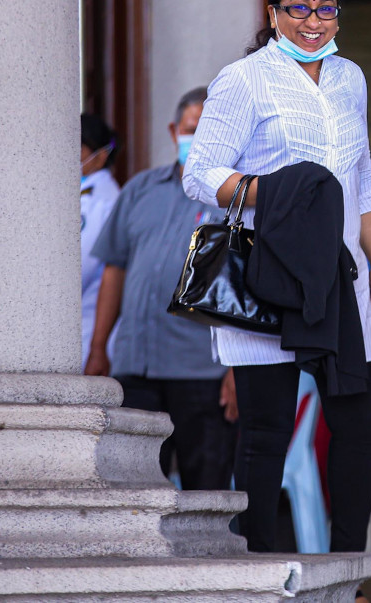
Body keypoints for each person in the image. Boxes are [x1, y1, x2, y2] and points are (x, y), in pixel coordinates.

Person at [181, 0, 371, 579]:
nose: (313, 20)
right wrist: (276, 194)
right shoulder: (243, 80)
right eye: (298, 7)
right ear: (273, 14)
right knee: (267, 433)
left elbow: (361, 177)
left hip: (342, 276)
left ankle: (348, 571)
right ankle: (261, 572)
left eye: (326, 8)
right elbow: (200, 174)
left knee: (360, 425)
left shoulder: (350, 77)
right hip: (268, 273)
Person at [84, 87, 237, 491]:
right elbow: (115, 269)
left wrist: (237, 370)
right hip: (135, 367)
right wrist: (98, 348)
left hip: (202, 372)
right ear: (173, 131)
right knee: (134, 491)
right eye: (191, 128)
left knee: (205, 493)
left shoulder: (237, 200)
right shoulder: (140, 189)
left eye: (210, 130)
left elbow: (248, 288)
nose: (198, 138)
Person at [80, 113, 121, 370]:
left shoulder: (101, 201)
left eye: (78, 148)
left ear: (101, 155)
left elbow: (79, 269)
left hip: (88, 329)